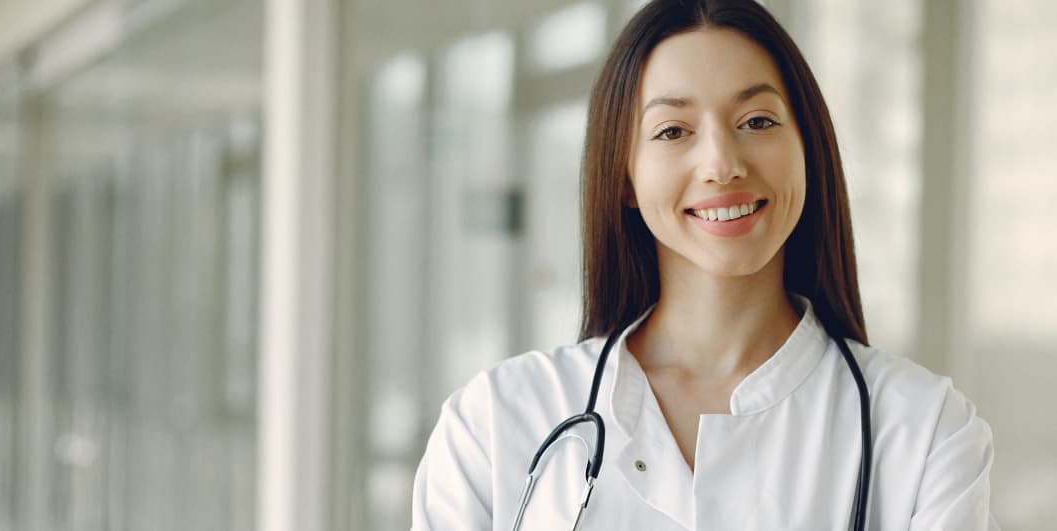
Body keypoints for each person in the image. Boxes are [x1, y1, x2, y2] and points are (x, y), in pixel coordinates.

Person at [411, 0, 997, 529]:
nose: (722, 163)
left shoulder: (925, 431)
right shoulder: (495, 423)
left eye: (758, 121)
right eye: (672, 130)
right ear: (626, 180)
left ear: (808, 152)